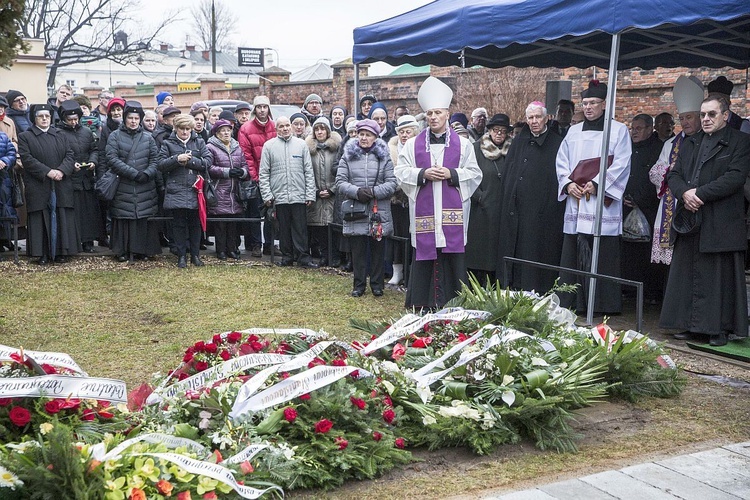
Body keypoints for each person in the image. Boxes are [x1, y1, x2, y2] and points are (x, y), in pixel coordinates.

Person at [660, 95, 750, 346]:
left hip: (721, 220)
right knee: (689, 274)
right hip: (691, 219)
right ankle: (690, 325)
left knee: (718, 277)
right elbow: (674, 174)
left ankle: (718, 329)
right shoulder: (690, 142)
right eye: (703, 115)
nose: (706, 119)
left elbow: (735, 177)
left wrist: (699, 194)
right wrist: (683, 193)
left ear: (725, 115)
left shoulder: (740, 141)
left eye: (711, 114)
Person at [395, 76, 483, 310]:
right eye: (429, 114)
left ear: (447, 113)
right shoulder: (412, 145)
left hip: (451, 217)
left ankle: (454, 304)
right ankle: (421, 304)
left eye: (437, 113)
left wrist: (451, 174)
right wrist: (423, 174)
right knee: (424, 256)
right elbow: (401, 172)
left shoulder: (463, 145)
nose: (433, 117)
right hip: (425, 215)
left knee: (452, 259)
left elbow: (475, 174)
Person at [556, 80, 632, 314]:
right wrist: (568, 184)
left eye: (593, 103)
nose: (588, 107)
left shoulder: (618, 130)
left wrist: (598, 184)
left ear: (604, 104)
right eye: (585, 103)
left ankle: (602, 304)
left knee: (603, 251)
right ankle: (571, 301)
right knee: (572, 251)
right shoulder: (573, 131)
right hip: (576, 200)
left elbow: (622, 163)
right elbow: (561, 161)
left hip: (601, 203)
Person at [497, 102, 565, 293]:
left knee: (534, 248)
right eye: (530, 118)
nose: (534, 121)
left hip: (540, 211)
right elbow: (510, 171)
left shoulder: (556, 143)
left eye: (537, 117)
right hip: (515, 208)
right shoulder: (519, 141)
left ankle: (533, 287)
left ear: (546, 118)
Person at [648, 76, 704, 287]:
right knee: (672, 264)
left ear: (700, 117)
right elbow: (655, 172)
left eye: (690, 117)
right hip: (673, 205)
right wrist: (670, 170)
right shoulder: (671, 144)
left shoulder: (708, 141)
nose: (686, 122)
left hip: (698, 204)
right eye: (682, 118)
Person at [336, 118, 398, 296]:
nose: (363, 138)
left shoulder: (384, 157)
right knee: (358, 250)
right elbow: (340, 182)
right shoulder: (347, 156)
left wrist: (372, 192)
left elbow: (392, 183)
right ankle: (359, 285)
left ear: (375, 137)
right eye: (361, 134)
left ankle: (377, 285)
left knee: (378, 250)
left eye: (368, 135)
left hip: (379, 210)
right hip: (356, 210)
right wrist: (357, 192)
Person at [18, 103, 78, 264]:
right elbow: (27, 159)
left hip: (60, 182)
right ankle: (42, 253)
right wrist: (47, 172)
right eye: (40, 116)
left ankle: (61, 251)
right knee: (40, 216)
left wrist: (61, 171)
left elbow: (70, 155)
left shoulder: (60, 134)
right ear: (34, 118)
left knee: (61, 215)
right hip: (39, 183)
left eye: (47, 116)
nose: (44, 119)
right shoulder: (26, 136)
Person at [258, 116, 318, 268]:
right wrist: (267, 196)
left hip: (299, 195)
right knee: (283, 229)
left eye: (287, 126)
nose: (284, 129)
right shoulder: (269, 146)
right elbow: (264, 173)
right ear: (276, 129)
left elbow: (308, 172)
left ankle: (303, 257)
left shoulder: (301, 145)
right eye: (281, 126)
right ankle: (287, 257)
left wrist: (310, 194)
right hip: (279, 197)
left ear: (290, 127)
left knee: (300, 229)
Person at [105, 100, 161, 262]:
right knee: (123, 218)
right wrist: (133, 174)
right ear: (124, 118)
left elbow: (155, 159)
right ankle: (122, 250)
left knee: (143, 218)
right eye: (130, 118)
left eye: (136, 118)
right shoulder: (115, 136)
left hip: (145, 184)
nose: (133, 121)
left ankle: (143, 250)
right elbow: (112, 159)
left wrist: (147, 173)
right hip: (123, 183)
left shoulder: (148, 138)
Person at [158, 113, 210, 268]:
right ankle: (181, 256)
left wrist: (190, 162)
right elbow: (160, 165)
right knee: (179, 225)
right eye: (182, 129)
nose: (185, 132)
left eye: (188, 129)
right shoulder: (167, 144)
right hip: (176, 189)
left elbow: (207, 162)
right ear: (176, 128)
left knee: (195, 225)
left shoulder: (199, 142)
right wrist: (176, 160)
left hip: (196, 190)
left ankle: (195, 255)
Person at [466, 113, 512, 286]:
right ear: (489, 131)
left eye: (503, 131)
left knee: (497, 251)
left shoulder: (511, 150)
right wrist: (479, 196)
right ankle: (474, 285)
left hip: (503, 208)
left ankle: (495, 285)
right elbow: (469, 175)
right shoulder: (477, 148)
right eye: (495, 130)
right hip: (481, 208)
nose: (499, 134)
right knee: (479, 251)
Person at [621, 113, 663, 303]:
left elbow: (656, 177)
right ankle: (627, 289)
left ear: (649, 129)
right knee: (627, 253)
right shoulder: (626, 148)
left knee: (645, 254)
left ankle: (650, 293)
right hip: (625, 206)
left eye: (639, 129)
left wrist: (639, 198)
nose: (634, 132)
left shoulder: (658, 149)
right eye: (632, 128)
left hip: (648, 209)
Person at [57, 100, 100, 253]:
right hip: (70, 179)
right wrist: (71, 165)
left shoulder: (87, 132)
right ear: (64, 119)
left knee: (88, 212)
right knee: (74, 212)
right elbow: (59, 154)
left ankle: (88, 241)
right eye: (70, 120)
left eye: (76, 119)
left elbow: (94, 149)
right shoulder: (59, 133)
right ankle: (74, 242)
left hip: (86, 178)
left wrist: (93, 161)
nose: (74, 122)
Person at [238, 95, 278, 257]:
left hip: (274, 178)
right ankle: (256, 244)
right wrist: (256, 177)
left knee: (272, 213)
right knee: (255, 212)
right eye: (259, 107)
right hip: (255, 178)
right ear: (255, 109)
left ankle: (270, 244)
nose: (262, 110)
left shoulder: (275, 127)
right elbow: (246, 156)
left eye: (265, 106)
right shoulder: (246, 129)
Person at [206, 119, 249, 260]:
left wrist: (241, 172)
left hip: (235, 191)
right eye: (222, 130)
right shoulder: (210, 147)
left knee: (233, 224)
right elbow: (209, 167)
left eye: (228, 130)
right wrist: (227, 172)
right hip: (220, 190)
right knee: (220, 224)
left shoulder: (237, 147)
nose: (226, 133)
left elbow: (245, 165)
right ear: (217, 133)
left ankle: (232, 249)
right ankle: (221, 250)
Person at [387, 115, 420, 286]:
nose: (405, 135)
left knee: (413, 235)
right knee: (397, 236)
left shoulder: (420, 149)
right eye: (401, 132)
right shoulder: (391, 149)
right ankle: (397, 271)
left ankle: (411, 272)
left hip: (415, 198)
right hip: (396, 199)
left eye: (408, 132)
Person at [304, 117, 342, 266]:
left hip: (333, 195)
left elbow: (341, 171)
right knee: (319, 228)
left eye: (323, 129)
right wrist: (315, 191)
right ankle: (324, 256)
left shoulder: (336, 149)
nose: (320, 132)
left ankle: (335, 256)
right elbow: (305, 172)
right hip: (316, 195)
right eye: (317, 129)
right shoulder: (309, 150)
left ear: (328, 131)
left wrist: (332, 190)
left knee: (333, 227)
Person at [0, 130, 18, 256]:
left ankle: (4, 239)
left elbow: (12, 152)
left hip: (3, 179)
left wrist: (5, 161)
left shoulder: (3, 136)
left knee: (4, 209)